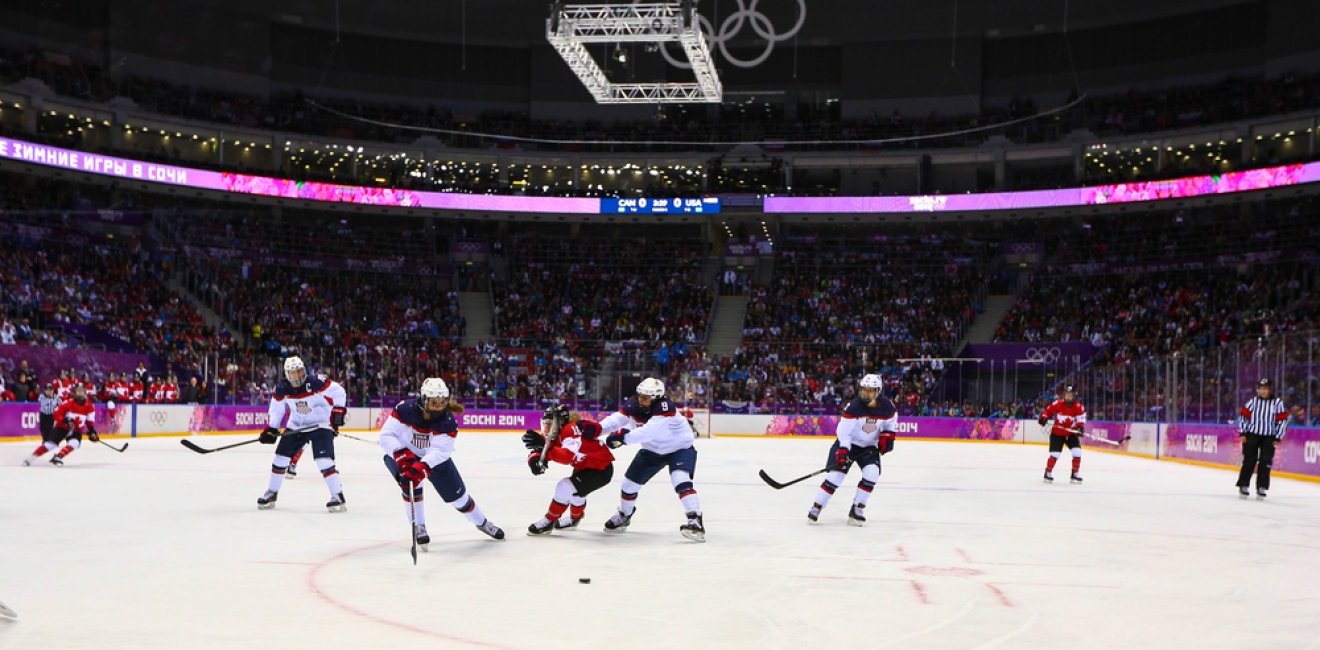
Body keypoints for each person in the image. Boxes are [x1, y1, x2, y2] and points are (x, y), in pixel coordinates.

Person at [378, 377, 504, 548]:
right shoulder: (404, 410)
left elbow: (440, 452)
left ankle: (482, 522)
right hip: (406, 454)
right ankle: (419, 526)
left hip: (434, 460)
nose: (438, 406)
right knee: (410, 485)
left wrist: (422, 467)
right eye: (434, 402)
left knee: (459, 499)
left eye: (441, 401)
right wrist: (400, 454)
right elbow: (386, 435)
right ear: (423, 399)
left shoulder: (448, 423)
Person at [598, 378, 705, 542]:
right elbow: (615, 420)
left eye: (645, 397)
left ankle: (695, 520)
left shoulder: (665, 408)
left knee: (680, 480)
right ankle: (625, 515)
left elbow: (648, 433)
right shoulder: (634, 404)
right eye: (640, 395)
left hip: (679, 448)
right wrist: (597, 429)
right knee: (628, 485)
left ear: (656, 398)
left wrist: (622, 438)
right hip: (652, 450)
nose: (641, 400)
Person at [255, 356, 349, 512]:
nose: (297, 375)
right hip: (296, 426)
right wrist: (272, 428)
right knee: (280, 458)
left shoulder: (316, 382)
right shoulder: (282, 388)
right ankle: (271, 493)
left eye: (299, 371)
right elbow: (277, 409)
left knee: (324, 461)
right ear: (287, 374)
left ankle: (337, 496)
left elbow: (339, 392)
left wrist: (338, 411)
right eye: (293, 373)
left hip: (320, 424)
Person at [807, 374, 897, 526]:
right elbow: (844, 433)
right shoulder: (854, 407)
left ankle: (857, 509)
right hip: (848, 445)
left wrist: (888, 436)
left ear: (878, 391)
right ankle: (817, 507)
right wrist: (843, 450)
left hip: (869, 447)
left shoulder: (888, 408)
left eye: (870, 390)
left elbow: (890, 424)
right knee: (835, 477)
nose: (865, 393)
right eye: (864, 389)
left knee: (872, 474)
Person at [521, 404, 615, 535]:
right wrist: (534, 460)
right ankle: (574, 519)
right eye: (545, 423)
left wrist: (545, 448)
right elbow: (543, 450)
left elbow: (567, 456)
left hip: (600, 470)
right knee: (577, 494)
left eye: (550, 423)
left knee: (564, 487)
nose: (546, 428)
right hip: (586, 467)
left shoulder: (570, 429)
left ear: (559, 422)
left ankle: (549, 521)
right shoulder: (558, 432)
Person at [1236, 378, 1288, 499]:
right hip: (1252, 434)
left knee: (1266, 461)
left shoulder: (1277, 403)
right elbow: (1243, 417)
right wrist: (1243, 433)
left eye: (1265, 389)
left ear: (1270, 390)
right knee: (1249, 460)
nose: (1263, 391)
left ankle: (1262, 487)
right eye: (1261, 389)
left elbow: (1282, 421)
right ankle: (1243, 485)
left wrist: (1278, 437)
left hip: (1269, 436)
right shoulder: (1253, 402)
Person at [24, 384, 97, 466]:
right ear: (75, 392)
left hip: (76, 430)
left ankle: (58, 457)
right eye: (78, 391)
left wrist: (92, 431)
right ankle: (30, 459)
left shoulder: (90, 406)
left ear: (85, 392)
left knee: (75, 443)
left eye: (82, 391)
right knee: (50, 445)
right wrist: (64, 420)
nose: (80, 393)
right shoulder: (68, 403)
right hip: (62, 428)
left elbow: (90, 421)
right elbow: (56, 414)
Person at [1038, 384, 1087, 484]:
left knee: (1077, 452)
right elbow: (1048, 410)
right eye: (1066, 395)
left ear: (1074, 396)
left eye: (1070, 395)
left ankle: (1075, 474)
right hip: (1057, 433)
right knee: (1055, 454)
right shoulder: (1058, 404)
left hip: (1071, 433)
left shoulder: (1079, 407)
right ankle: (1048, 473)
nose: (1068, 397)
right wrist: (1044, 417)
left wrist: (1080, 428)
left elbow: (1081, 420)